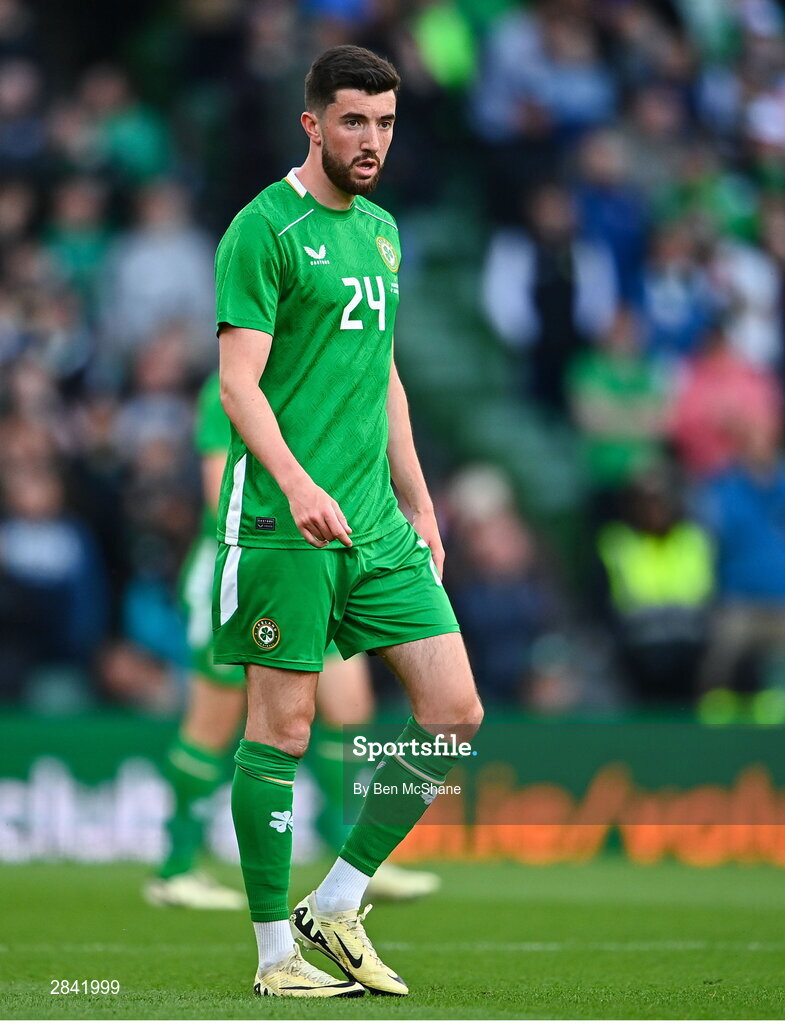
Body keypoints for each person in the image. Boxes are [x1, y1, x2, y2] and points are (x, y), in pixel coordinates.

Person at [213, 45, 482, 998]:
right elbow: (238, 384)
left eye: (385, 123)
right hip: (287, 522)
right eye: (354, 121)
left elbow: (385, 380)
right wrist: (294, 483)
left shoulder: (381, 232)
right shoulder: (265, 229)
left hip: (375, 521)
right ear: (312, 123)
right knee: (279, 735)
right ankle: (272, 956)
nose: (371, 141)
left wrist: (417, 498)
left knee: (453, 713)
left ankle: (335, 900)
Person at [144, 372, 440, 909]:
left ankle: (346, 859)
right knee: (215, 722)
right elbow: (219, 492)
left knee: (350, 708)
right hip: (252, 566)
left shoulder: (317, 375)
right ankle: (175, 867)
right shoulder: (230, 387)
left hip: (317, 567)